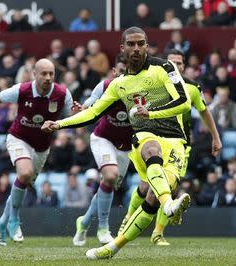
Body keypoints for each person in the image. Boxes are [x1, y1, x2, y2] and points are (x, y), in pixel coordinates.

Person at [41, 26, 200, 260]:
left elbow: (184, 102)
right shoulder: (118, 84)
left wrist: (151, 112)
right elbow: (93, 113)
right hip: (145, 137)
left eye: (141, 44)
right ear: (122, 48)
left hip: (175, 139)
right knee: (149, 147)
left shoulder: (165, 67)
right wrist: (59, 124)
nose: (136, 48)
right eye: (131, 44)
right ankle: (169, 205)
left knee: (151, 199)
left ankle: (113, 247)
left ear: (146, 46)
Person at [117, 49, 222, 246]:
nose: (176, 66)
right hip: (153, 140)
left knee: (170, 186)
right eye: (172, 62)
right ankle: (128, 219)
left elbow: (204, 111)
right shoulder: (154, 83)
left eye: (180, 63)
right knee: (146, 185)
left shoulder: (191, 88)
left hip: (179, 144)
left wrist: (215, 138)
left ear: (184, 66)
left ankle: (157, 233)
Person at [0, 58, 74, 246]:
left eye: (51, 74)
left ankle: (2, 222)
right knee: (24, 173)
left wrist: (77, 113)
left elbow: (71, 117)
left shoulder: (63, 94)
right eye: (44, 73)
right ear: (34, 74)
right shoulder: (22, 90)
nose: (48, 78)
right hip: (19, 138)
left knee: (23, 182)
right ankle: (14, 220)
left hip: (42, 147)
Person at [72, 55, 134, 246]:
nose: (125, 76)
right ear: (114, 72)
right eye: (121, 72)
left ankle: (83, 222)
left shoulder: (140, 89)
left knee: (107, 185)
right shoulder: (105, 85)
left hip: (125, 148)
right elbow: (91, 100)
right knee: (110, 175)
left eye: (129, 72)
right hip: (103, 138)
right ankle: (103, 228)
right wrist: (83, 107)